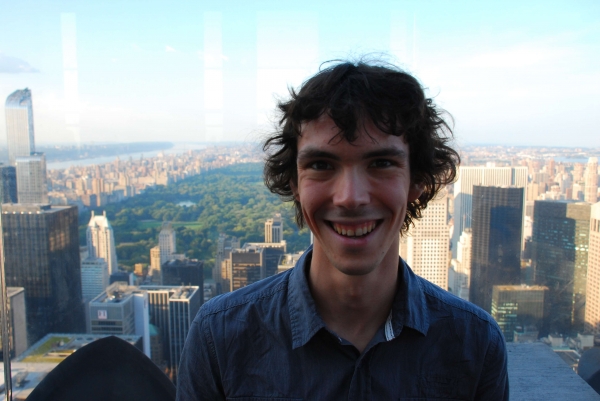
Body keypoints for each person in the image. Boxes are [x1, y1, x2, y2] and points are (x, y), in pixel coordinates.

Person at [177, 60, 509, 400]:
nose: (350, 197)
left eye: (381, 163)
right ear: (294, 183)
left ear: (417, 181)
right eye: (321, 165)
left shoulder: (474, 344)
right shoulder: (219, 337)